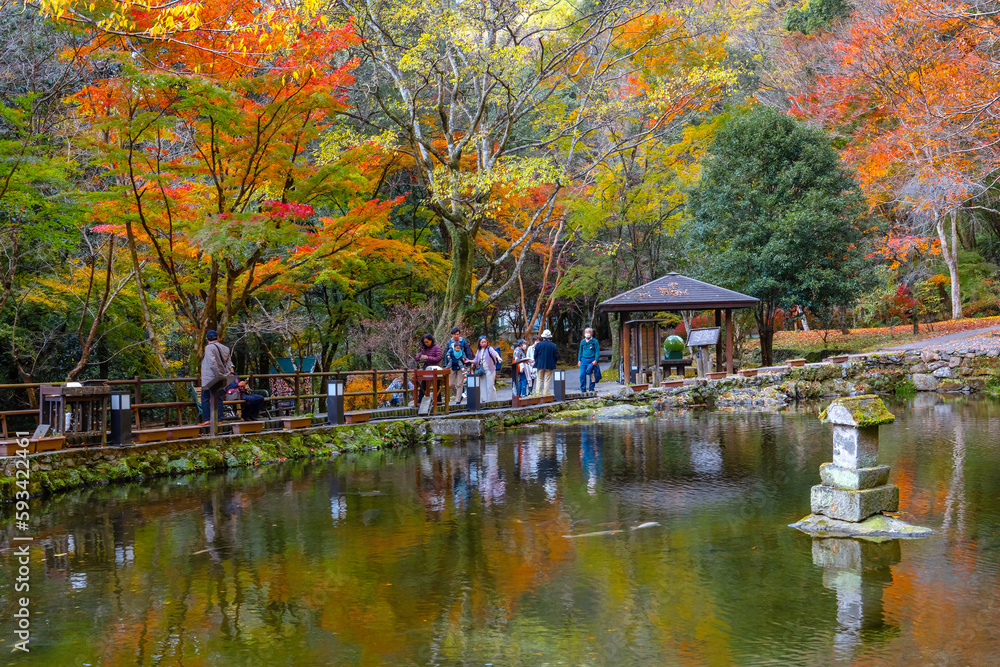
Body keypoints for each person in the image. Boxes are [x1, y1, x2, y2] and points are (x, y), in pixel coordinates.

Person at [200, 329, 233, 424]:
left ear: (207, 339)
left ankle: (207, 419)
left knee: (205, 398)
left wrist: (218, 374)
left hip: (209, 377)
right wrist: (225, 375)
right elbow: (229, 363)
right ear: (217, 337)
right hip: (222, 377)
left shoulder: (209, 348)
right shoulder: (225, 348)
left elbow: (212, 362)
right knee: (218, 398)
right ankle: (219, 420)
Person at [472, 335, 502, 403]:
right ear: (479, 343)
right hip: (482, 370)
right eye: (482, 342)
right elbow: (476, 360)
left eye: (485, 342)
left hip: (490, 370)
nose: (484, 343)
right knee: (482, 386)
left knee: (490, 386)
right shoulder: (479, 351)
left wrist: (498, 357)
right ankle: (484, 400)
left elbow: (494, 353)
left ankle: (492, 401)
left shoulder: (489, 349)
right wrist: (469, 361)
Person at [414, 333, 443, 402]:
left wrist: (428, 358)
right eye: (424, 342)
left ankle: (438, 402)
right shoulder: (425, 349)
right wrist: (419, 357)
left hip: (436, 368)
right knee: (423, 385)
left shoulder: (437, 347)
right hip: (427, 368)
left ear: (431, 340)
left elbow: (439, 358)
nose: (426, 343)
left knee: (436, 386)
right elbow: (417, 357)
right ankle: (419, 402)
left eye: (427, 342)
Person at [445, 339, 471, 404]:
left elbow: (467, 354)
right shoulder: (449, 345)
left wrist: (468, 365)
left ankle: (458, 400)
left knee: (460, 384)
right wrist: (446, 365)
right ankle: (459, 395)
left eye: (457, 334)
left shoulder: (463, 344)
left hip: (460, 366)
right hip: (452, 365)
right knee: (450, 384)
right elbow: (446, 354)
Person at [533, 329, 558, 395]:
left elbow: (535, 355)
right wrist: (554, 362)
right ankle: (546, 394)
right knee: (547, 380)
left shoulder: (538, 345)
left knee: (539, 380)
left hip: (540, 364)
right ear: (550, 337)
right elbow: (556, 356)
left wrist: (536, 361)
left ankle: (538, 394)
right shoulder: (553, 345)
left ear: (543, 337)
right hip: (550, 365)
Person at [578, 326, 602, 392]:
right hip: (583, 360)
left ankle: (591, 388)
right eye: (585, 332)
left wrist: (596, 360)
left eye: (588, 332)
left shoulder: (594, 341)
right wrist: (579, 360)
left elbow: (597, 351)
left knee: (592, 375)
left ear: (591, 333)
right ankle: (583, 389)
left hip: (592, 360)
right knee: (582, 375)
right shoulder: (582, 341)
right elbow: (580, 351)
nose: (586, 333)